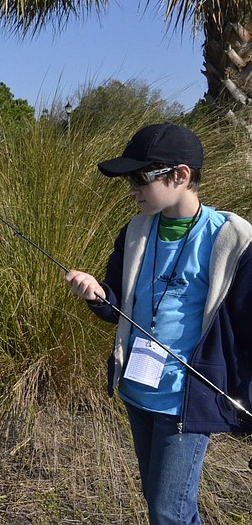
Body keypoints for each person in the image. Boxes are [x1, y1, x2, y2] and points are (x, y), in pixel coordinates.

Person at [64, 123, 252, 524]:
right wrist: (96, 294)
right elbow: (118, 305)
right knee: (163, 502)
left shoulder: (232, 239)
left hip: (185, 399)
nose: (131, 189)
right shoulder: (135, 231)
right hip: (137, 390)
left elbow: (247, 330)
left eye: (139, 178)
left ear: (180, 175)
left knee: (168, 510)